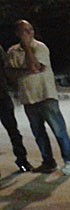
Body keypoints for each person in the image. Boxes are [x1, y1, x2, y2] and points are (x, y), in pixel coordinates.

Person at [7, 20, 70, 175]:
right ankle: (48, 162)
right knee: (38, 133)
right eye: (24, 31)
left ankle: (69, 161)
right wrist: (26, 70)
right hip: (28, 98)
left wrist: (26, 49)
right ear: (17, 33)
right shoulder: (12, 51)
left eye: (30, 30)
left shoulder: (40, 47)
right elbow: (11, 74)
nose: (29, 33)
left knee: (59, 131)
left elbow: (33, 66)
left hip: (46, 96)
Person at [0, 44, 32, 173]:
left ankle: (22, 160)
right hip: (2, 94)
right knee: (13, 130)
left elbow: (6, 69)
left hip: (2, 95)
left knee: (13, 130)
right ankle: (22, 161)